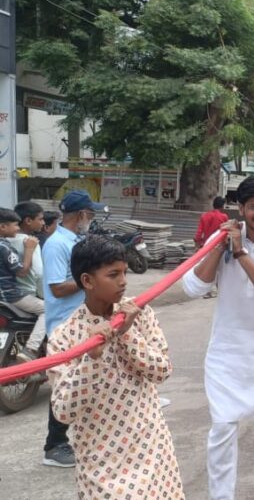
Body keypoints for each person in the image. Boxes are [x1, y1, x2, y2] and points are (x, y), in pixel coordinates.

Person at [182, 177, 254, 500]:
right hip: (229, 350)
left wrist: (240, 253)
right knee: (223, 427)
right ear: (240, 208)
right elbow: (193, 288)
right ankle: (221, 496)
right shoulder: (222, 238)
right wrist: (219, 248)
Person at [48, 235, 184, 498]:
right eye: (113, 274)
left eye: (124, 272)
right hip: (101, 462)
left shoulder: (139, 314)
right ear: (87, 281)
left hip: (151, 447)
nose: (123, 281)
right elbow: (63, 412)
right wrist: (91, 358)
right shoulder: (64, 337)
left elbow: (162, 371)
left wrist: (127, 332)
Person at [41, 189, 106, 468]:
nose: (90, 219)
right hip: (64, 326)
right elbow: (57, 287)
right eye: (89, 214)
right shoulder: (57, 245)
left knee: (89, 379)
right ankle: (54, 445)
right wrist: (91, 280)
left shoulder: (76, 240)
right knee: (65, 385)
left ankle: (89, 436)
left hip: (83, 321)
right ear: (80, 215)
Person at [4, 204, 45, 360]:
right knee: (48, 309)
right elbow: (37, 273)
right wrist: (44, 294)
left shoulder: (4, 242)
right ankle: (31, 349)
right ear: (28, 220)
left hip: (6, 295)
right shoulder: (29, 242)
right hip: (17, 295)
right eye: (40, 219)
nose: (43, 223)